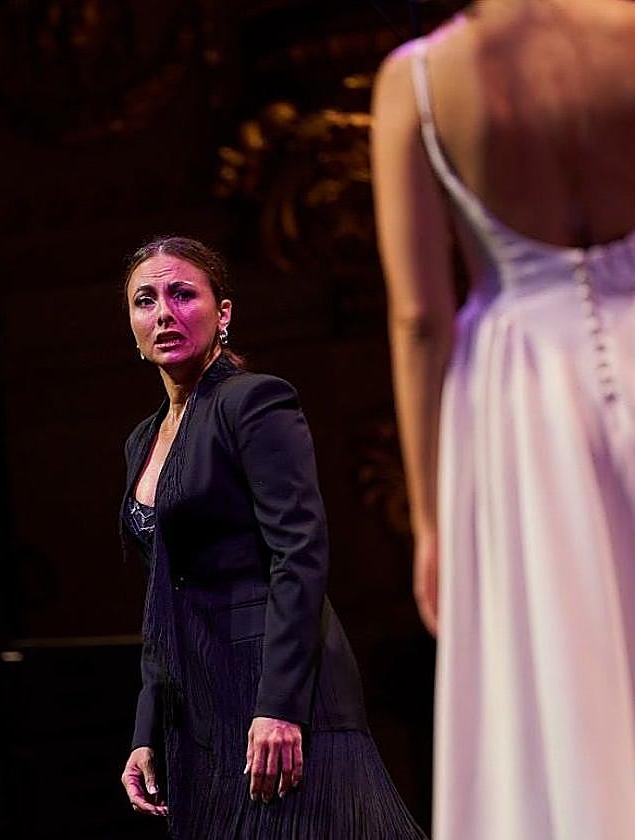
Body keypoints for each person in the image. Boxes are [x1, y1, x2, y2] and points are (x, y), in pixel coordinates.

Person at [371, 0, 635, 838]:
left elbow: (420, 319)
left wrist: (431, 519)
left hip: (526, 388)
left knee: (570, 666)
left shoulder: (422, 81)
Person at [117, 236, 425, 839]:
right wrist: (146, 730)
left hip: (278, 691)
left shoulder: (254, 401)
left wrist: (280, 705)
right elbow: (160, 597)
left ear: (222, 313)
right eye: (145, 300)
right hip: (200, 708)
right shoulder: (142, 440)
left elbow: (299, 552)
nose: (164, 313)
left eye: (183, 295)